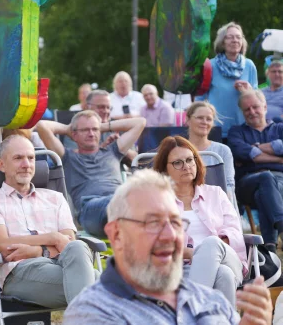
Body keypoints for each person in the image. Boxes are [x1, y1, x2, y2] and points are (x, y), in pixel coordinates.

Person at [64, 170, 272, 324]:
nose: (170, 235)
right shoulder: (94, 312)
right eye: (153, 223)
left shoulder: (210, 300)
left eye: (176, 222)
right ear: (117, 234)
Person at [0, 135, 96, 308]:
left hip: (62, 265)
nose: (26, 164)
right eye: (18, 158)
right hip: (19, 273)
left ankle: (83, 317)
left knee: (77, 247)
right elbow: (3, 244)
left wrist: (38, 251)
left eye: (31, 158)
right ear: (1, 165)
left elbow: (68, 244)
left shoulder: (55, 198)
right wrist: (53, 238)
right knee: (103, 286)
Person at [153, 136, 246, 304]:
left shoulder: (216, 193)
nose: (186, 166)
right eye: (178, 163)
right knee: (224, 275)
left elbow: (234, 231)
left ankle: (190, 307)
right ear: (164, 170)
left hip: (228, 259)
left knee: (212, 243)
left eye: (190, 160)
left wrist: (205, 253)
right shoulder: (158, 202)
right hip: (180, 267)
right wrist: (192, 255)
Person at [36, 112, 146, 237]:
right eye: (85, 130)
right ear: (74, 134)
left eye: (95, 129)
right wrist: (68, 129)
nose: (91, 133)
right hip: (90, 208)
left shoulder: (112, 151)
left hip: (121, 201)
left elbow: (140, 122)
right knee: (125, 200)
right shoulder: (67, 157)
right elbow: (42, 126)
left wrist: (102, 126)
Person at [227, 89, 283, 247]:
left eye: (255, 107)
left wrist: (255, 148)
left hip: (280, 181)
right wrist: (279, 159)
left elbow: (251, 154)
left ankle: (269, 247)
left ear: (265, 107)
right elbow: (241, 151)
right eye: (247, 109)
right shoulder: (236, 132)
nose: (251, 112)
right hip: (247, 184)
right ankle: (281, 226)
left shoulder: (280, 128)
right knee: (266, 177)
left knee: (263, 193)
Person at [197, 22, 258, 138]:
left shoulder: (249, 66)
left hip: (244, 129)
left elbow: (257, 101)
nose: (235, 40)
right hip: (215, 129)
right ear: (222, 42)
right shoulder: (210, 66)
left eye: (238, 37)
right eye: (230, 37)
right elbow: (200, 99)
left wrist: (249, 91)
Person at [185, 101, 238, 208]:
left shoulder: (223, 150)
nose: (204, 122)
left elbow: (229, 185)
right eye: (200, 118)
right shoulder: (177, 150)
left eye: (209, 119)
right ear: (188, 120)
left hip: (217, 204)